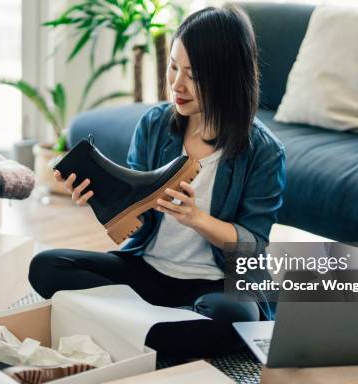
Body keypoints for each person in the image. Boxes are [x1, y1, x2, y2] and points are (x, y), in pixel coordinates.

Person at [29, 5, 286, 358]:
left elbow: (253, 245)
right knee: (46, 266)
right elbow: (139, 223)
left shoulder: (264, 151)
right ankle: (157, 328)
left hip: (214, 284)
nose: (177, 84)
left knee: (233, 318)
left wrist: (197, 219)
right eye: (173, 66)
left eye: (193, 75)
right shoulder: (154, 126)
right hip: (147, 271)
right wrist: (103, 199)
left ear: (226, 77)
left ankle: (125, 323)